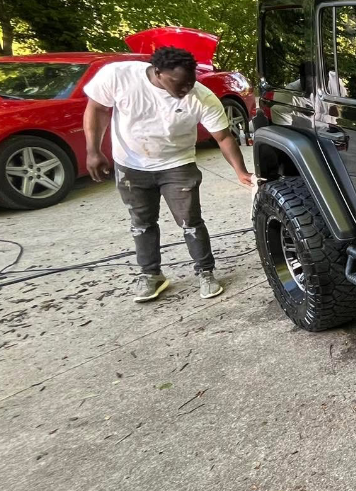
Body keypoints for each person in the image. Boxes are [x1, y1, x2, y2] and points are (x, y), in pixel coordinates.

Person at [82, 45, 253, 303]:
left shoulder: (201, 97)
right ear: (158, 72)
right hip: (131, 164)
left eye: (190, 82)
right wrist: (93, 150)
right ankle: (151, 275)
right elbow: (96, 109)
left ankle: (205, 273)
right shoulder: (118, 75)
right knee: (142, 222)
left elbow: (223, 137)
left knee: (190, 221)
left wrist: (241, 172)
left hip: (178, 163)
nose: (185, 89)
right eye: (179, 83)